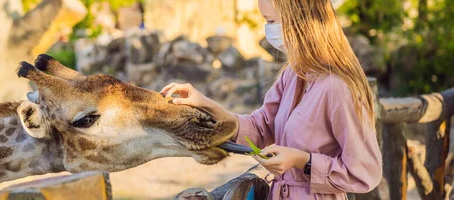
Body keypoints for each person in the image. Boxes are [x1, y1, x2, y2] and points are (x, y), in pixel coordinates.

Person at [159, 0, 382, 199]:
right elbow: (260, 128)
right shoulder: (293, 74)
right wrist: (204, 103)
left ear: (299, 20)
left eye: (272, 20)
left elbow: (364, 173)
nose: (268, 31)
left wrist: (301, 161)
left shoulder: (338, 87)